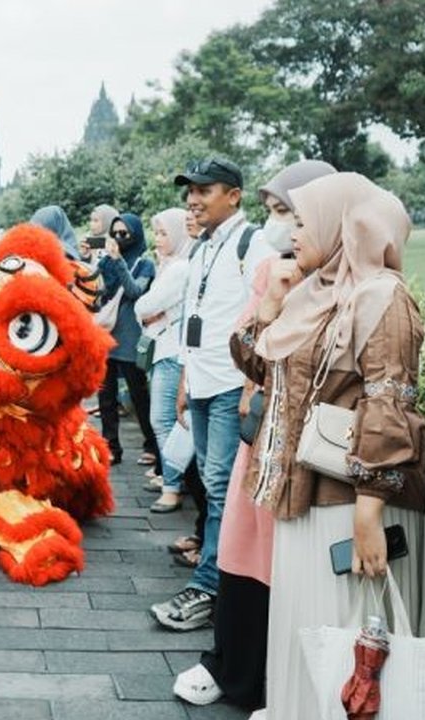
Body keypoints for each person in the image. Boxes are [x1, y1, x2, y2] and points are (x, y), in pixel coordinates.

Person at [232, 173, 425, 718]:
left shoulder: (380, 296)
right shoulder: (313, 293)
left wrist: (370, 508)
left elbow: (390, 403)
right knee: (304, 633)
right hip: (302, 495)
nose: (293, 231)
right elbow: (257, 363)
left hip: (347, 504)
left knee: (342, 635)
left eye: (303, 219)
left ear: (342, 222)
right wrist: (273, 298)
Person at [173, 159, 336, 711]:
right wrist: (266, 310)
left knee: (284, 560)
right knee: (242, 537)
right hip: (255, 423)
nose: (286, 227)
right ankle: (232, 660)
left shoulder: (355, 286)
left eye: (292, 213)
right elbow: (243, 346)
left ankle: (283, 679)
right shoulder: (267, 270)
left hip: (307, 450)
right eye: (277, 213)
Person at [151, 158, 273, 631]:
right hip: (201, 381)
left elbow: (261, 317)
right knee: (208, 481)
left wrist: (251, 384)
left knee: (221, 487)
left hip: (229, 385)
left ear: (234, 195)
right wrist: (184, 378)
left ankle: (210, 587)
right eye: (190, 192)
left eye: (204, 191)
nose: (193, 200)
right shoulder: (201, 249)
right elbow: (193, 321)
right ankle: (216, 573)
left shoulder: (253, 243)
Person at [134, 208, 194, 511]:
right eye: (156, 232)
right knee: (166, 419)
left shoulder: (180, 268)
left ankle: (172, 485)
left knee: (164, 419)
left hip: (171, 353)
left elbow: (146, 304)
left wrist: (149, 310)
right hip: (165, 350)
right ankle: (171, 478)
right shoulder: (171, 265)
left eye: (163, 233)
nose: (157, 239)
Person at [97, 213, 157, 466]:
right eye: (116, 233)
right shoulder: (108, 262)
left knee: (138, 396)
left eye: (125, 234)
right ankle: (110, 446)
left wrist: (119, 261)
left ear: (136, 234)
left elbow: (134, 291)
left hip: (130, 339)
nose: (120, 238)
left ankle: (151, 445)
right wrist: (100, 263)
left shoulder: (146, 264)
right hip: (106, 337)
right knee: (105, 397)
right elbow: (100, 293)